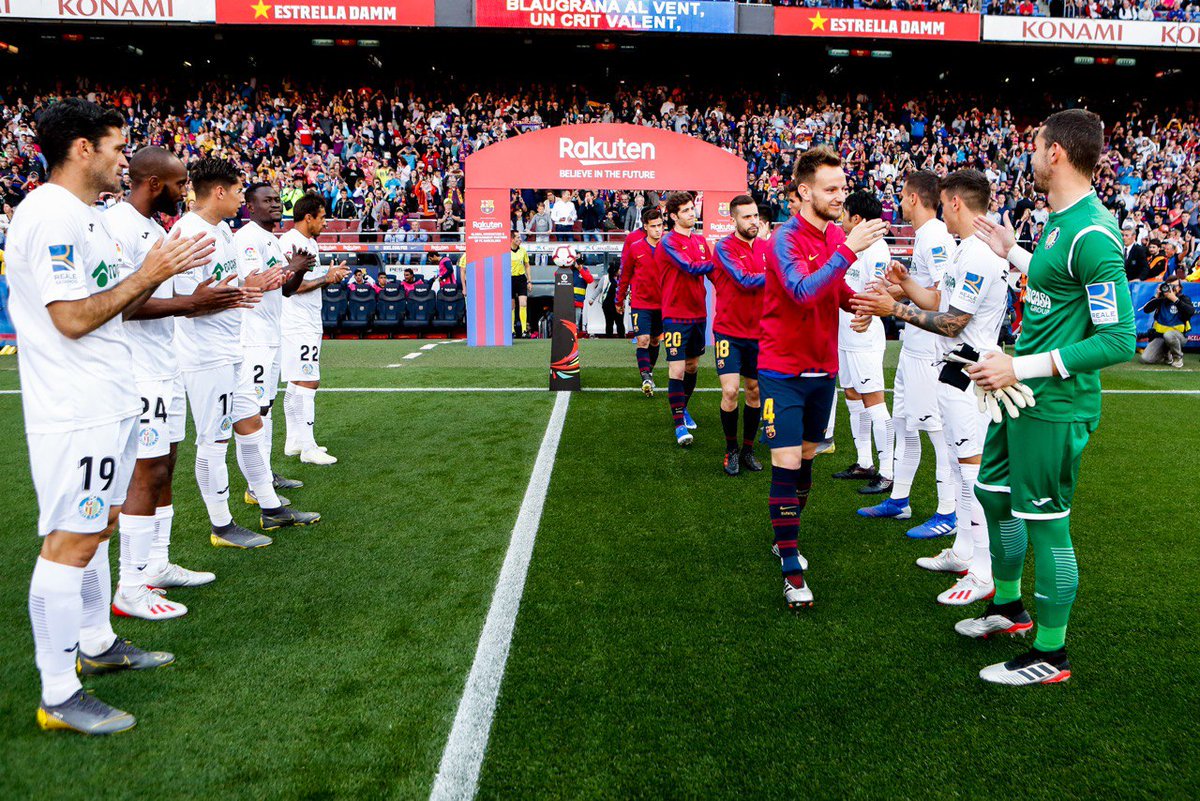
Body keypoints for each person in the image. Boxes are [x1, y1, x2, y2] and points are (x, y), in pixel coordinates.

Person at [7, 98, 208, 734]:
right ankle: (58, 693)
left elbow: (113, 303)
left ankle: (96, 642)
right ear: (82, 148)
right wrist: (150, 271)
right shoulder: (48, 216)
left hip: (110, 397)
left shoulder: (85, 216)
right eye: (118, 147)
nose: (126, 158)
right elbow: (71, 317)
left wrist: (164, 275)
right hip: (77, 407)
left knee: (98, 528)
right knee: (70, 539)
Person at [967, 109, 1137, 685]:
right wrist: (1013, 251)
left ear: (1057, 154)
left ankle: (1051, 652)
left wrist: (1022, 366)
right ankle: (1009, 608)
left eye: (1036, 147)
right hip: (1021, 394)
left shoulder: (1092, 233)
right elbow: (1053, 288)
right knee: (992, 493)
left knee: (1046, 521)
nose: (1030, 155)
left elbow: (1118, 339)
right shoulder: (1059, 222)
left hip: (1054, 402)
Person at [851, 169, 1010, 606]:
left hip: (971, 372)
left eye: (943, 202)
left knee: (972, 471)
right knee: (961, 468)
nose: (941, 210)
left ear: (955, 202)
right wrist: (905, 286)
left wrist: (894, 309)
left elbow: (955, 322)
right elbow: (940, 303)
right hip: (952, 367)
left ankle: (983, 571)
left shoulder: (978, 255)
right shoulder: (964, 251)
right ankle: (963, 551)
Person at [105, 147, 244, 619]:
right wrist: (193, 305)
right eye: (179, 183)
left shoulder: (153, 229)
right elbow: (123, 305)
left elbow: (164, 295)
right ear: (152, 183)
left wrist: (197, 297)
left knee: (165, 466)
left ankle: (157, 564)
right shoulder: (119, 228)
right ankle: (130, 585)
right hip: (138, 370)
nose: (185, 191)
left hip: (164, 366)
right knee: (146, 472)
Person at [758, 145, 888, 609]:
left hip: (822, 370)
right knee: (788, 461)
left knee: (808, 457)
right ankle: (791, 568)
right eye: (831, 189)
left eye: (842, 187)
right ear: (804, 191)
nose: (840, 196)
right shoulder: (785, 240)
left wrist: (865, 304)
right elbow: (800, 291)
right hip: (781, 370)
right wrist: (849, 251)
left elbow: (834, 291)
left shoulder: (834, 235)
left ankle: (785, 536)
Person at [174, 159, 321, 548]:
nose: (242, 198)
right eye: (239, 191)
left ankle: (271, 508)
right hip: (207, 355)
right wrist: (250, 287)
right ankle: (221, 526)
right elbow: (186, 300)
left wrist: (257, 283)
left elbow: (238, 283)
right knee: (213, 440)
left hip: (233, 345)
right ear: (219, 191)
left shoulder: (221, 230)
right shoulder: (188, 233)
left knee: (252, 424)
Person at [858, 171, 959, 540]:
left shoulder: (934, 237)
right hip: (913, 345)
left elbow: (939, 297)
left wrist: (893, 299)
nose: (900, 202)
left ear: (914, 198)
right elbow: (922, 288)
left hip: (928, 350)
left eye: (902, 196)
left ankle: (948, 511)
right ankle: (900, 499)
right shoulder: (926, 235)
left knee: (936, 431)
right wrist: (895, 287)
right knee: (903, 421)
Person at [234, 182, 312, 497]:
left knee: (266, 406)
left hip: (271, 334)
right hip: (253, 337)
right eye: (267, 200)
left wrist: (300, 271)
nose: (276, 204)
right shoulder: (247, 239)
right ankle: (257, 486)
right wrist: (289, 268)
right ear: (250, 207)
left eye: (278, 199)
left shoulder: (272, 240)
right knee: (256, 410)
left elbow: (285, 290)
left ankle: (264, 475)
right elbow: (254, 283)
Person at [829, 190, 894, 496]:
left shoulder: (877, 250)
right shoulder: (850, 247)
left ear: (856, 219)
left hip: (863, 335)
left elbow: (876, 293)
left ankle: (888, 472)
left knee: (874, 401)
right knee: (853, 397)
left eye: (844, 212)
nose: (840, 217)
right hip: (844, 335)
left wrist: (866, 314)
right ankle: (864, 462)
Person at [281, 193, 349, 465]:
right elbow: (293, 287)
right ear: (308, 217)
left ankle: (294, 441)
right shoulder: (291, 243)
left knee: (297, 380)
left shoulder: (307, 242)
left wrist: (327, 279)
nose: (325, 223)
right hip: (297, 322)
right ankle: (308, 447)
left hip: (306, 318)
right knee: (309, 380)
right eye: (322, 218)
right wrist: (326, 278)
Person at [710, 194, 768, 477]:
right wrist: (779, 274)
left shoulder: (768, 248)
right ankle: (730, 448)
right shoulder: (724, 248)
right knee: (731, 390)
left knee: (755, 392)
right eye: (746, 217)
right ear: (732, 219)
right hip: (728, 333)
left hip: (760, 334)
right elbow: (744, 280)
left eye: (755, 215)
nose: (753, 221)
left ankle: (748, 449)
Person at [655, 191, 715, 446]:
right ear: (673, 216)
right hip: (675, 315)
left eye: (693, 208)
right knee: (677, 369)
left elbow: (713, 274)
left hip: (698, 313)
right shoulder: (668, 242)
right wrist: (722, 262)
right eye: (687, 210)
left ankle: (682, 407)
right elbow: (690, 267)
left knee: (692, 367)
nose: (693, 213)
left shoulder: (701, 241)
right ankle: (679, 425)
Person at [615, 208, 665, 396]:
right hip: (641, 303)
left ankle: (649, 371)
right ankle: (645, 376)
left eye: (660, 225)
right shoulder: (635, 247)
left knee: (654, 341)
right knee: (643, 340)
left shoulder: (668, 246)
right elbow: (625, 275)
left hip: (663, 304)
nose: (658, 230)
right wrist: (619, 299)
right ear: (645, 227)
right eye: (654, 227)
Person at [1139, 278, 1192, 368]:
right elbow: (1147, 309)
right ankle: (1166, 354)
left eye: (1175, 286)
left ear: (1179, 288)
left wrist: (1175, 299)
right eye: (1169, 286)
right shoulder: (1161, 300)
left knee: (1168, 335)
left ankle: (1177, 358)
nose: (1172, 289)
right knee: (1146, 358)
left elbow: (1190, 311)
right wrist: (1157, 295)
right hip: (1160, 337)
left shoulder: (1183, 299)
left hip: (1179, 337)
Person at [510, 231, 531, 337]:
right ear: (512, 239)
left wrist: (529, 280)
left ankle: (524, 330)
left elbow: (527, 265)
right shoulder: (505, 251)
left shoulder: (523, 250)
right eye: (518, 237)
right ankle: (512, 330)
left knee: (523, 303)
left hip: (521, 278)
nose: (520, 239)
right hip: (510, 279)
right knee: (512, 305)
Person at [600, 261, 625, 338]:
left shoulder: (622, 279)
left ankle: (621, 337)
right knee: (609, 322)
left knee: (620, 322)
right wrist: (592, 299)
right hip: (608, 304)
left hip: (619, 303)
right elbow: (599, 289)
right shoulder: (606, 278)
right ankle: (609, 337)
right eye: (619, 269)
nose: (621, 271)